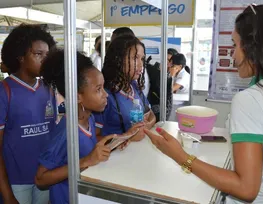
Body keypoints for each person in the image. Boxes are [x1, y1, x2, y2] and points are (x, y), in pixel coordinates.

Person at [145, 4, 263, 203]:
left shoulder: (252, 98)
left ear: (252, 47)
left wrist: (180, 156)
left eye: (234, 45)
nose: (233, 56)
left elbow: (246, 188)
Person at [35, 49, 115, 204]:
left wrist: (115, 142)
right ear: (78, 96)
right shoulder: (67, 130)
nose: (106, 94)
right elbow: (40, 178)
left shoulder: (89, 119)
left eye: (103, 88)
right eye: (98, 89)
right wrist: (86, 161)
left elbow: (87, 146)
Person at [0, 24, 56, 204]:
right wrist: (7, 194)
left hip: (44, 176)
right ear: (20, 56)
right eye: (38, 54)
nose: (45, 60)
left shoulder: (48, 89)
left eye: (47, 55)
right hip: (16, 182)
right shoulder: (5, 91)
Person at [95, 35, 156, 141]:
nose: (141, 64)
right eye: (135, 58)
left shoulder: (134, 87)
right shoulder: (104, 94)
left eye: (142, 59)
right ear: (118, 59)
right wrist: (126, 137)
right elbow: (93, 138)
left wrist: (146, 127)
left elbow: (151, 116)